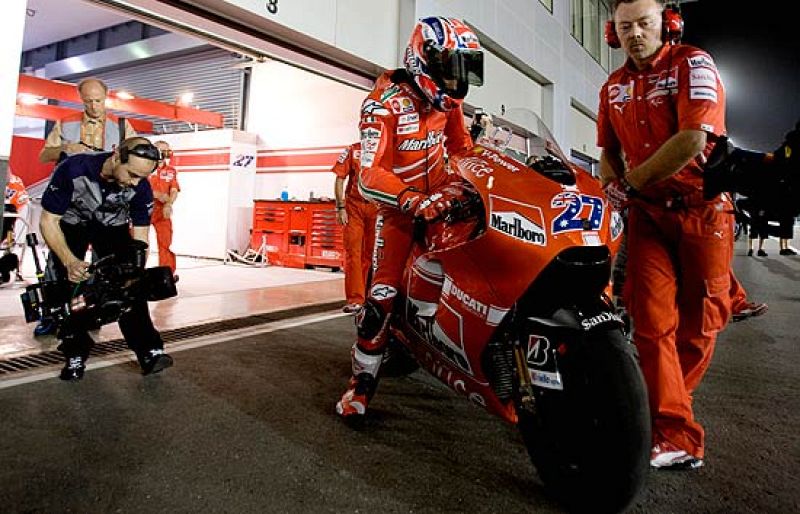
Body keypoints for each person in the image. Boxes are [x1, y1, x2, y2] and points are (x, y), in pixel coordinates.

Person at [598, 0, 730, 470]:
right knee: (651, 324)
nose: (634, 34)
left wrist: (628, 183)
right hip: (648, 216)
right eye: (624, 26)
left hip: (704, 214)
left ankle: (665, 407)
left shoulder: (694, 64)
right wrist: (612, 189)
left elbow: (693, 139)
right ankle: (675, 432)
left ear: (667, 24)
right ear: (613, 33)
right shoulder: (611, 86)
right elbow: (607, 155)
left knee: (700, 326)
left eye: (644, 24)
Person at [335, 16, 483, 422]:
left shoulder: (450, 103)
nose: (458, 82)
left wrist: (469, 184)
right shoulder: (381, 106)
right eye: (451, 68)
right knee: (378, 306)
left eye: (465, 68)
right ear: (424, 61)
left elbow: (462, 149)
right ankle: (360, 386)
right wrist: (412, 201)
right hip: (399, 215)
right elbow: (368, 174)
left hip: (444, 210)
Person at [39, 136, 174, 381]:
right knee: (66, 288)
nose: (136, 183)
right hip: (71, 226)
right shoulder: (73, 170)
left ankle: (149, 351)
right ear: (115, 157)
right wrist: (70, 261)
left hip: (112, 228)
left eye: (142, 177)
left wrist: (133, 275)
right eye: (132, 174)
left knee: (129, 284)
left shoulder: (140, 186)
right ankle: (75, 351)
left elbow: (140, 238)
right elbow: (48, 221)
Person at [39, 77, 136, 164]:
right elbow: (43, 157)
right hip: (72, 181)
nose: (94, 107)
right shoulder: (65, 123)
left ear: (106, 96)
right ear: (81, 98)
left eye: (98, 101)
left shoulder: (121, 125)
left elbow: (136, 154)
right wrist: (65, 149)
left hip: (107, 182)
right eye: (88, 101)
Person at [331, 142, 377, 314]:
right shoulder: (352, 150)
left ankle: (370, 297)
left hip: (377, 206)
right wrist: (340, 207)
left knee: (373, 255)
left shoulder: (386, 149)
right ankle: (355, 299)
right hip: (354, 208)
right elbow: (340, 178)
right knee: (353, 253)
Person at [149, 140, 181, 276]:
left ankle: (166, 274)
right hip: (144, 210)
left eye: (168, 150)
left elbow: (174, 190)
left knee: (165, 243)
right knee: (139, 244)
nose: (166, 153)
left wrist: (168, 204)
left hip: (163, 212)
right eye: (163, 150)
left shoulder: (171, 171)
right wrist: (156, 194)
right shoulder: (144, 168)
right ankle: (135, 274)